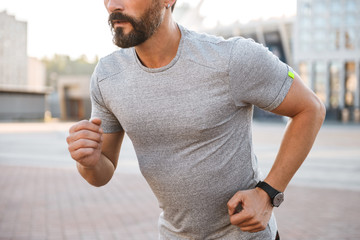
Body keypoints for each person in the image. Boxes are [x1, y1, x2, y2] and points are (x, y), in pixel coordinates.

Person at [66, 0, 326, 239]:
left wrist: (269, 193)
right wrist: (87, 161)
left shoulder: (231, 58)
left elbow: (310, 108)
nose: (112, 5)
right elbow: (102, 172)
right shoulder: (107, 75)